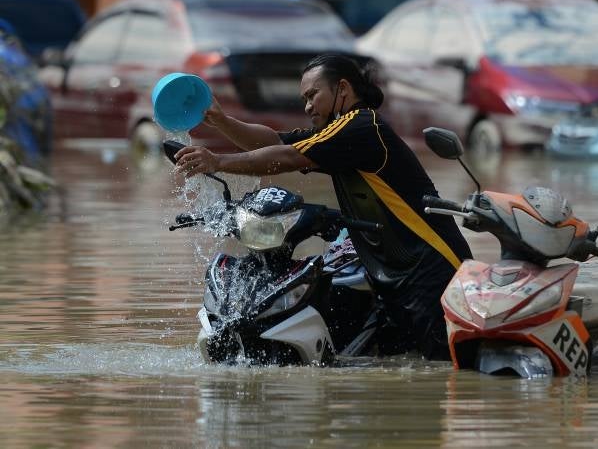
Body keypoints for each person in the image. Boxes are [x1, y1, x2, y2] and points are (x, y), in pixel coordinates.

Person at [174, 53, 472, 360]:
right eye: (304, 98)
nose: (307, 106)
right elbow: (276, 142)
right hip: (393, 275)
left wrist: (218, 161)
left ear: (342, 89)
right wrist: (222, 122)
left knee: (443, 371)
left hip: (429, 272)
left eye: (312, 95)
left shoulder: (362, 127)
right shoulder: (337, 132)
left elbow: (288, 158)